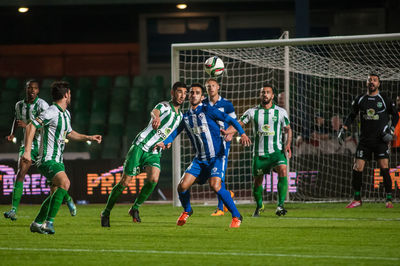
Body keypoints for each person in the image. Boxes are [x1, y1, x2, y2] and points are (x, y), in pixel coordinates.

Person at [155, 83, 251, 228]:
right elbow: (176, 131)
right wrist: (165, 142)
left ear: (202, 97)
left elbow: (231, 120)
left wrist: (242, 133)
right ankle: (187, 210)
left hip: (217, 157)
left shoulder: (209, 110)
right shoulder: (186, 116)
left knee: (215, 186)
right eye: (191, 92)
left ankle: (237, 216)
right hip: (200, 160)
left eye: (197, 93)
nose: (193, 95)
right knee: (182, 186)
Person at [100, 81, 187, 227]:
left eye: (184, 93)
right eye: (179, 92)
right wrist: (156, 117)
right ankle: (106, 212)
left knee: (153, 179)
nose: (182, 96)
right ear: (172, 93)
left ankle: (135, 208)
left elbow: (168, 133)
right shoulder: (165, 106)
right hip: (140, 146)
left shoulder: (180, 117)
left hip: (154, 151)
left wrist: (167, 142)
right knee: (125, 182)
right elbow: (155, 111)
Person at [24, 81, 102, 234]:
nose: (70, 96)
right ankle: (48, 223)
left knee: (56, 192)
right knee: (65, 183)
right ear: (66, 95)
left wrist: (89, 137)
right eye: (70, 94)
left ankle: (37, 223)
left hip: (58, 160)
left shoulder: (66, 113)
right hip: (46, 159)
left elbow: (70, 133)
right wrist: (27, 151)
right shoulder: (51, 112)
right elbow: (31, 126)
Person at [3, 79, 76, 221]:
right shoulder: (19, 105)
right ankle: (14, 209)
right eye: (29, 88)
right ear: (26, 89)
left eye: (35, 88)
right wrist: (13, 132)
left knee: (54, 183)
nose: (32, 90)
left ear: (38, 91)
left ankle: (66, 200)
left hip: (42, 145)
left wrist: (27, 125)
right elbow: (16, 119)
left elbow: (47, 125)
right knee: (20, 173)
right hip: (27, 145)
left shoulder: (43, 105)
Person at [224, 83, 292, 217]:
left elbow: (288, 129)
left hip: (276, 152)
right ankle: (259, 205)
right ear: (260, 95)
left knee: (283, 170)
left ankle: (280, 205)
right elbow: (238, 124)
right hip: (259, 153)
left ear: (272, 96)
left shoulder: (281, 112)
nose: (265, 94)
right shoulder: (252, 112)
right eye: (263, 92)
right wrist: (226, 131)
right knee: (257, 181)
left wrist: (288, 144)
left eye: (267, 92)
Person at [338, 74, 399, 208]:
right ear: (366, 83)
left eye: (374, 80)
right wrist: (344, 129)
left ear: (379, 84)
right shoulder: (360, 99)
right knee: (357, 167)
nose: (372, 82)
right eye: (370, 80)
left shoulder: (384, 98)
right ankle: (357, 199)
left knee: (384, 167)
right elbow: (352, 115)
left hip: (380, 140)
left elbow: (395, 115)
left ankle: (388, 199)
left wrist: (392, 130)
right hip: (364, 141)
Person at [203, 78, 235, 216]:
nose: (210, 88)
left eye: (213, 86)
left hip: (222, 143)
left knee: (218, 176)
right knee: (213, 176)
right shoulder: (202, 104)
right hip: (207, 144)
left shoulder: (227, 104)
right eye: (208, 86)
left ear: (218, 87)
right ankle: (228, 194)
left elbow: (234, 122)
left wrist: (230, 134)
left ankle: (220, 208)